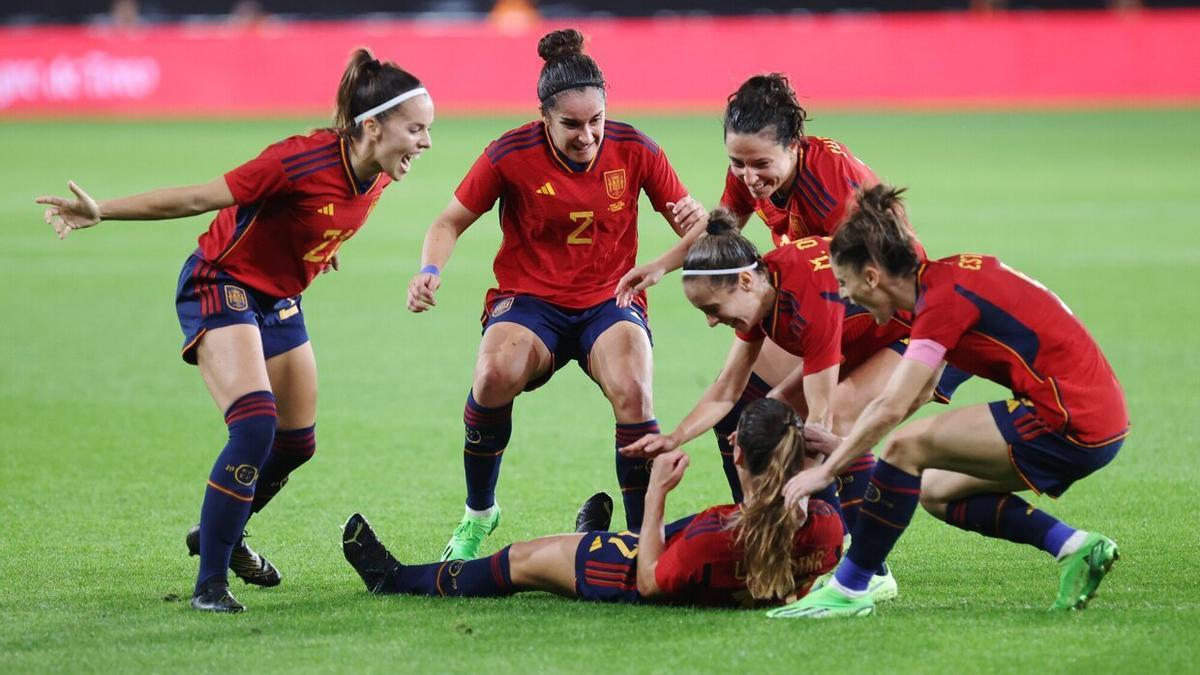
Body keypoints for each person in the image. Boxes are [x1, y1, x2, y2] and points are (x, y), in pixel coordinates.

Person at [36, 49, 434, 613]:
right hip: (219, 282)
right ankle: (211, 583)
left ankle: (218, 528)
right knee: (253, 428)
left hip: (277, 298)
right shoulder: (298, 160)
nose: (425, 142)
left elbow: (318, 220)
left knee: (297, 443)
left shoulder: (377, 172)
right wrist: (104, 210)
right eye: (415, 129)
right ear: (373, 127)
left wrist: (317, 253)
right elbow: (201, 198)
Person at [615, 74, 963, 535]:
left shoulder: (836, 191)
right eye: (736, 163)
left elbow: (872, 284)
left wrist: (815, 381)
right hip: (822, 300)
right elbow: (723, 230)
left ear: (795, 144)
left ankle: (856, 562)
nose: (748, 177)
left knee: (829, 423)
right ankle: (763, 533)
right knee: (746, 414)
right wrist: (662, 265)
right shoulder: (754, 185)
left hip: (905, 321)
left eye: (759, 164)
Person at [405, 28, 705, 560]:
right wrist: (430, 268)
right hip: (529, 300)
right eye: (571, 124)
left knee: (634, 391)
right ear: (544, 117)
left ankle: (638, 541)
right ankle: (479, 514)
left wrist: (695, 223)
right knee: (493, 375)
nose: (586, 135)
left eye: (596, 121)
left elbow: (698, 228)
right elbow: (448, 222)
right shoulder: (509, 153)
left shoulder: (636, 148)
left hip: (609, 300)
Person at [771, 185, 1127, 618]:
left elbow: (891, 408)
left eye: (844, 284)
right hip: (1094, 416)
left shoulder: (941, 303)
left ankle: (851, 587)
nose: (845, 297)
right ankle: (1075, 548)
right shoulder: (945, 281)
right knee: (936, 489)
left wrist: (825, 471)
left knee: (908, 447)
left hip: (1070, 417)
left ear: (872, 277)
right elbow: (919, 392)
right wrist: (853, 452)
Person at [620, 211, 910, 599]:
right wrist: (674, 438)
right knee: (764, 413)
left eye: (712, 309)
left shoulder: (809, 300)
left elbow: (819, 419)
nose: (710, 322)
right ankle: (764, 535)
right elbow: (726, 389)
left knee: (828, 426)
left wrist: (798, 500)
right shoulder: (761, 285)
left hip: (914, 332)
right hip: (859, 333)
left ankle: (871, 569)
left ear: (743, 282)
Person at [342, 398, 843, 607]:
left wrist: (655, 498)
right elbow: (835, 501)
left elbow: (649, 580)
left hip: (622, 577)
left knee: (517, 560)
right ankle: (588, 536)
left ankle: (394, 580)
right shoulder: (822, 529)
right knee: (603, 540)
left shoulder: (718, 535)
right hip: (699, 571)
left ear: (737, 455)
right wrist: (838, 455)